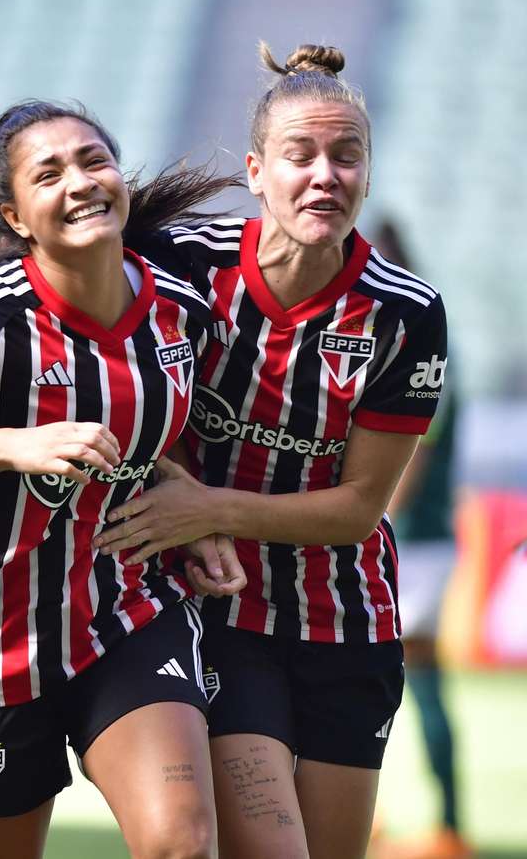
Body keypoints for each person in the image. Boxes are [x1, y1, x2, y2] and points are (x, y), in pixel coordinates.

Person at [0, 100, 246, 859]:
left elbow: (175, 439)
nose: (82, 182)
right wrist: (11, 446)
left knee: (183, 845)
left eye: (94, 160)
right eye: (49, 173)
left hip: (128, 615)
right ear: (15, 216)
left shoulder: (182, 310)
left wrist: (203, 518)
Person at [82, 44, 449, 859]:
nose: (326, 175)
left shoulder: (405, 311)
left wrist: (205, 507)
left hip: (349, 619)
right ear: (256, 172)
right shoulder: (184, 265)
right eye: (301, 155)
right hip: (222, 616)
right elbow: (62, 323)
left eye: (347, 156)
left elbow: (358, 512)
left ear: (367, 172)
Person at [365, 220, 469, 859]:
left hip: (405, 544)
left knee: (360, 678)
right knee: (418, 682)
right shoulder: (429, 344)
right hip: (425, 541)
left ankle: (414, 822)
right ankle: (450, 824)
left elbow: (410, 463)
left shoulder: (414, 349)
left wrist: (359, 529)